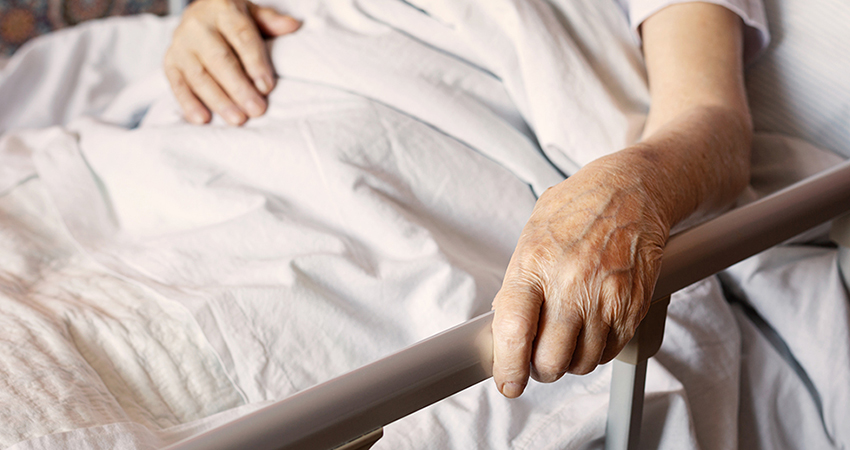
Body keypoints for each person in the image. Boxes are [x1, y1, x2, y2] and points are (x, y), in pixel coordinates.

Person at [164, 0, 764, 399]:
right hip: (213, 143)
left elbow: (712, 122)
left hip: (443, 154)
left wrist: (630, 190)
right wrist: (210, 15)